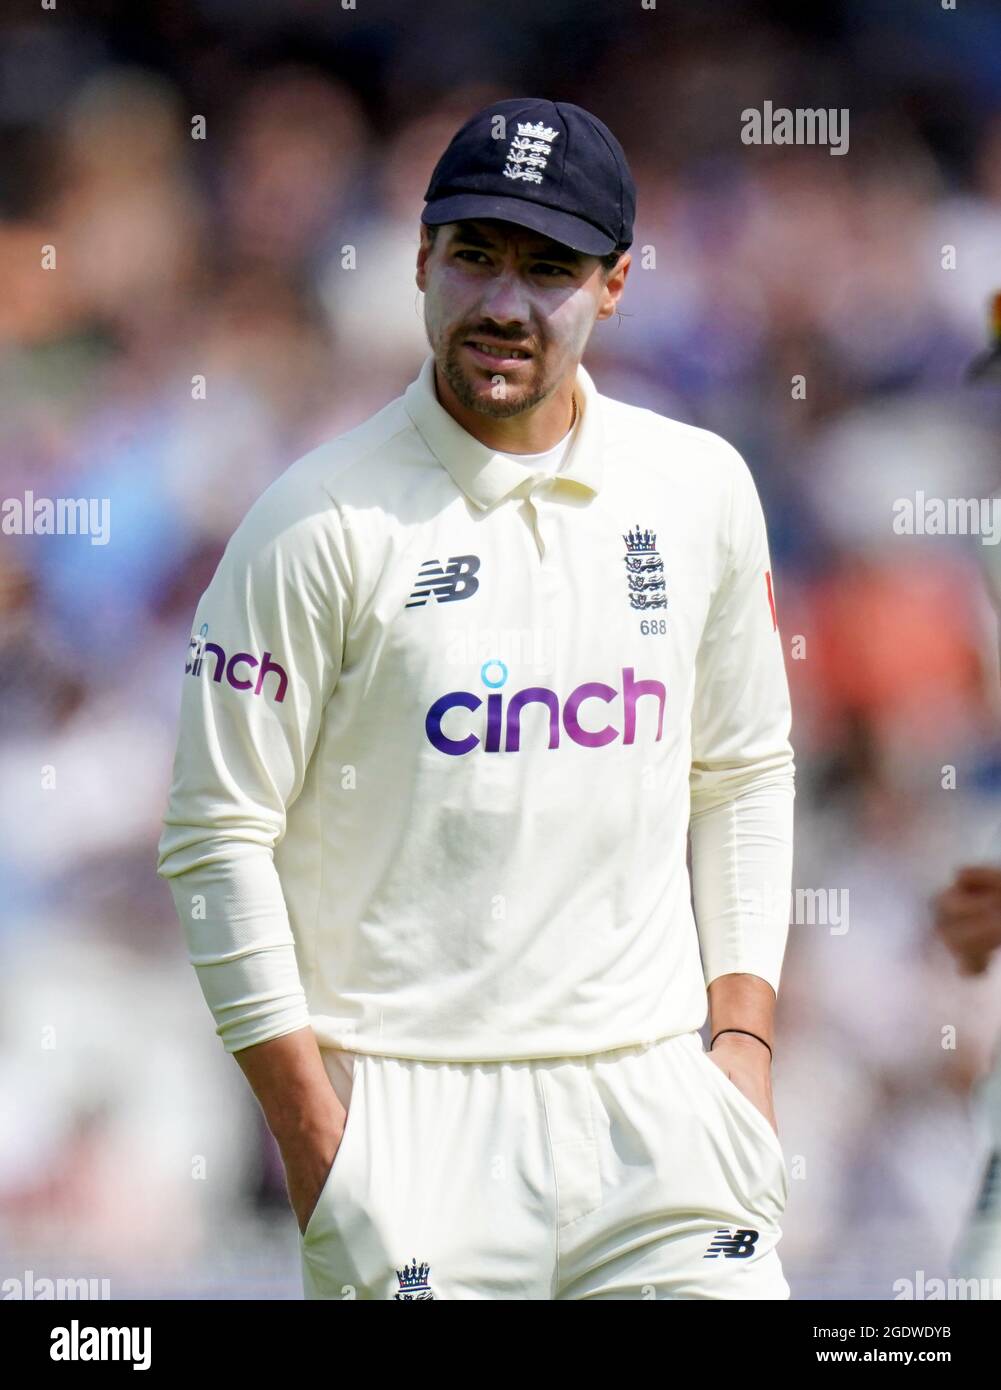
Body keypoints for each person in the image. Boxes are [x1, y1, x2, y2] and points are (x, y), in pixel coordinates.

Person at [156, 97, 796, 1300]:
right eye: (474, 258)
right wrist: (313, 1136)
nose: (503, 304)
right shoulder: (314, 522)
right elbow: (213, 835)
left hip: (658, 1116)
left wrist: (743, 1045)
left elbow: (743, 768)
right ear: (419, 261)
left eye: (547, 269)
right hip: (406, 1126)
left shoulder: (697, 486)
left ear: (612, 285)